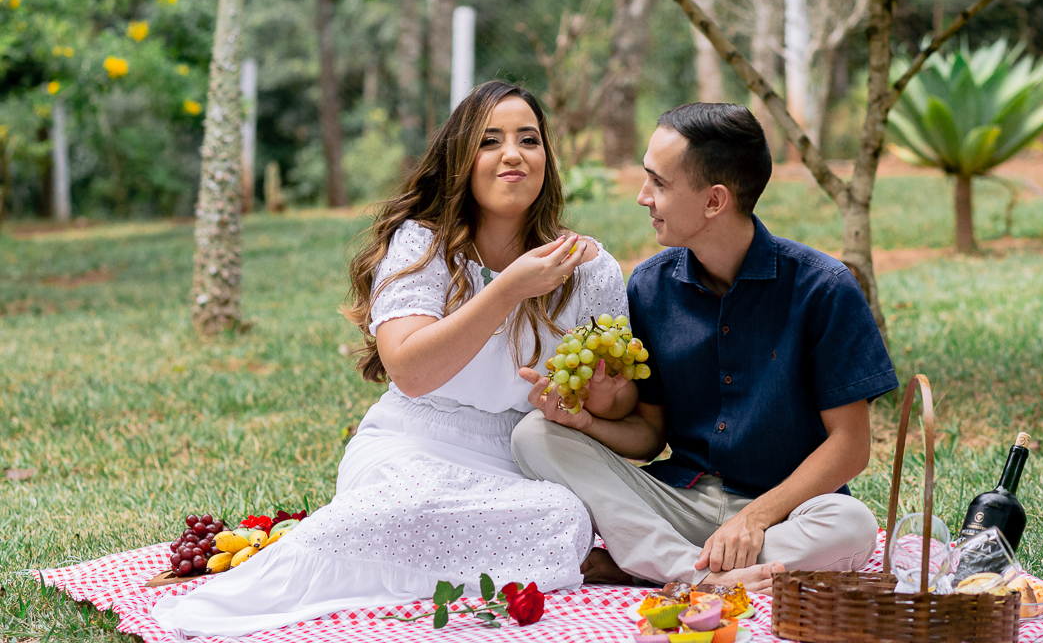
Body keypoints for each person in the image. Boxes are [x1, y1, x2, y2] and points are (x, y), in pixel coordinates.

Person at [152, 81, 629, 636]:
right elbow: (411, 371)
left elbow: (625, 406)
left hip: (520, 462)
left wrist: (598, 399)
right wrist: (508, 289)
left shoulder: (589, 268)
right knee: (407, 505)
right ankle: (312, 560)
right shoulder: (421, 244)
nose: (513, 155)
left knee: (563, 515)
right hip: (411, 447)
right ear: (460, 157)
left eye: (529, 139)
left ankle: (384, 560)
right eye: (489, 141)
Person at [512, 102, 898, 594]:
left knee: (852, 525)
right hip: (679, 500)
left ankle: (652, 567)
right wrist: (585, 423)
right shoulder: (650, 287)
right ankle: (697, 574)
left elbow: (851, 446)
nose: (642, 196)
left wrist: (755, 518)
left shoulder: (823, 288)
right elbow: (649, 437)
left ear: (714, 201)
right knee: (534, 435)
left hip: (784, 512)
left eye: (659, 183)